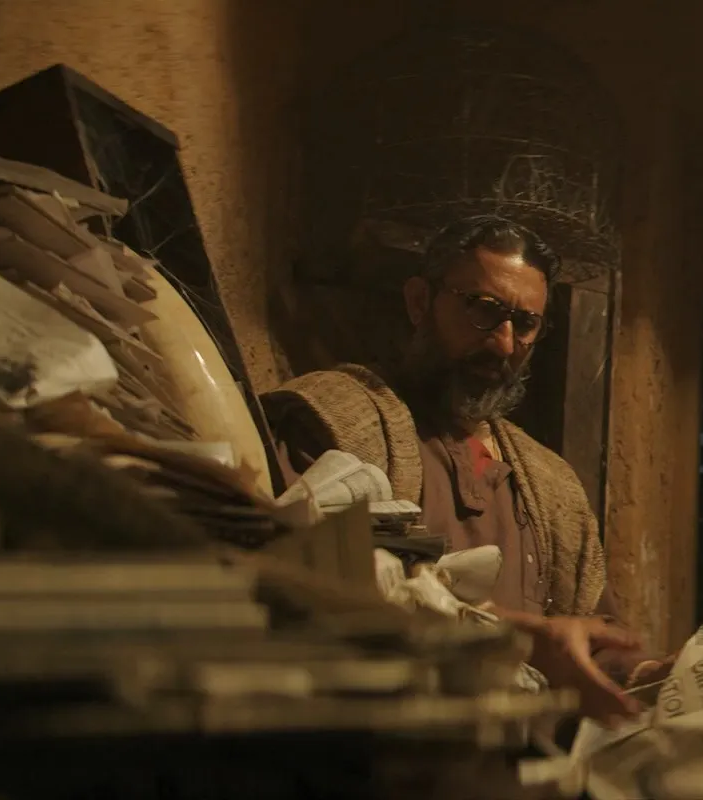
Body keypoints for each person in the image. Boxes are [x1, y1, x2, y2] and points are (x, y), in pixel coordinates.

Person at [263, 216, 662, 723]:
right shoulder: (336, 420)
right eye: (483, 309)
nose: (504, 343)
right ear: (419, 302)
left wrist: (652, 674)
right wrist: (513, 637)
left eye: (525, 324)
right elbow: (293, 586)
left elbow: (591, 642)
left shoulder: (553, 487)